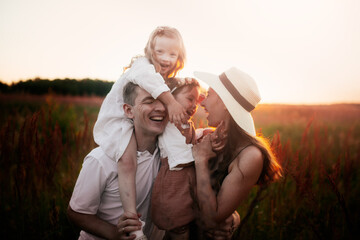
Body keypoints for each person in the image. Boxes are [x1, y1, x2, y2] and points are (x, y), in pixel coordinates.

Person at [93, 26, 187, 239]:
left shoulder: (162, 76)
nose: (166, 58)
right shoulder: (141, 66)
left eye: (173, 54)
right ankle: (132, 224)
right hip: (118, 121)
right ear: (150, 51)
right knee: (127, 161)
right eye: (160, 52)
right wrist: (171, 102)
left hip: (135, 122)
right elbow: (150, 82)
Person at [67, 82, 168, 240]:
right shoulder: (101, 159)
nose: (161, 108)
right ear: (129, 111)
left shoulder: (167, 156)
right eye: (149, 101)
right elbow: (76, 213)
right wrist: (114, 234)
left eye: (164, 101)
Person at [192, 67, 283, 236]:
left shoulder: (250, 156)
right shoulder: (210, 136)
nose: (202, 102)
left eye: (209, 94)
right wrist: (234, 216)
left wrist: (201, 160)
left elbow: (212, 218)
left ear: (226, 104)